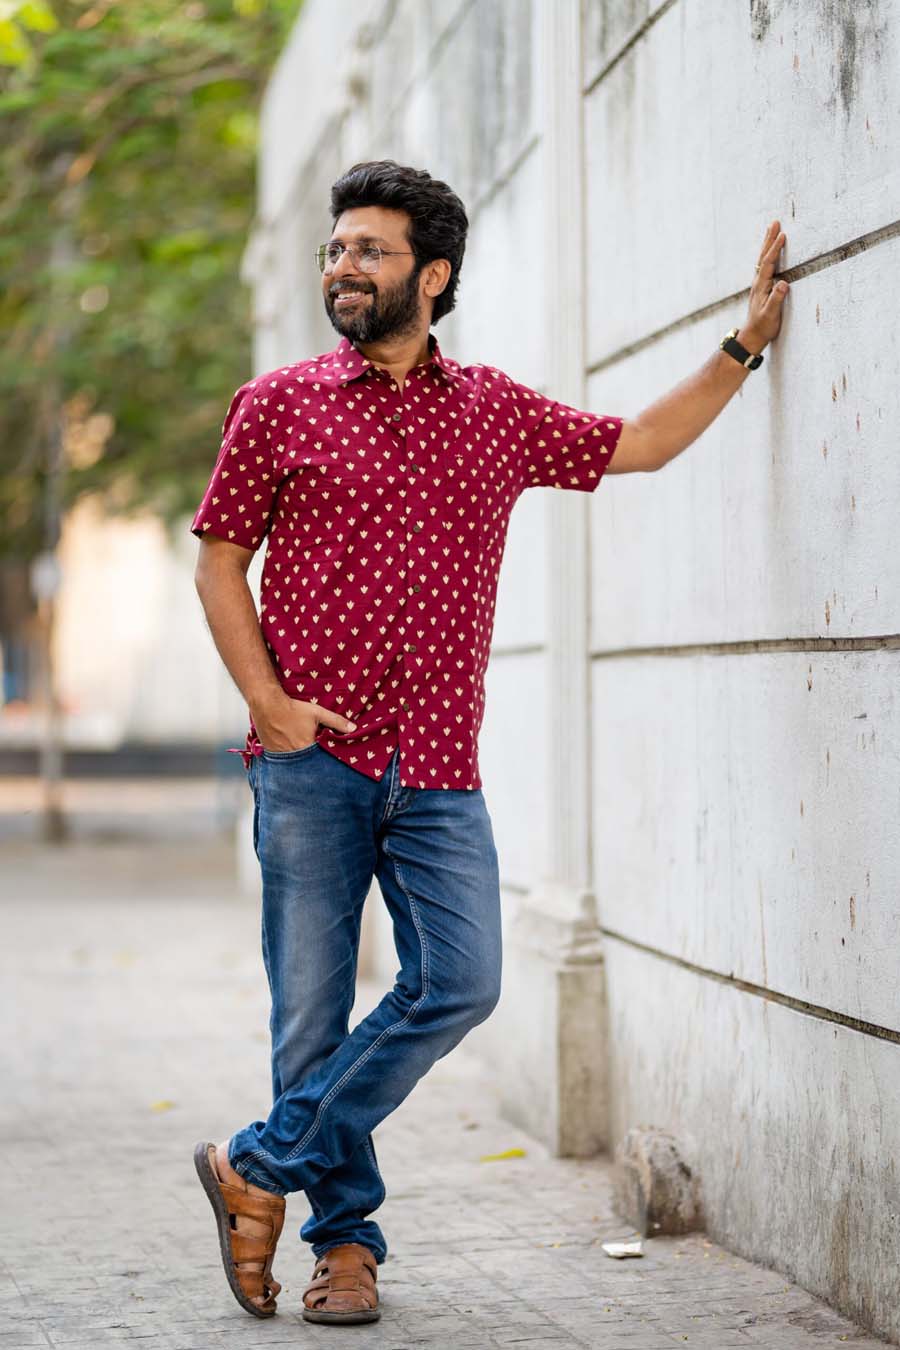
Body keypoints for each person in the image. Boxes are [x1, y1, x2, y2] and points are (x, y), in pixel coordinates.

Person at [191, 159, 789, 1325]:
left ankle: (255, 1165)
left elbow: (641, 445)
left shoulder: (496, 414)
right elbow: (219, 558)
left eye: (367, 250)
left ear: (434, 271)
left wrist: (744, 345)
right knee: (310, 1018)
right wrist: (267, 704)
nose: (342, 267)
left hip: (440, 771)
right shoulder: (276, 406)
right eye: (334, 249)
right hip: (310, 763)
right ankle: (345, 1246)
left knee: (461, 983)